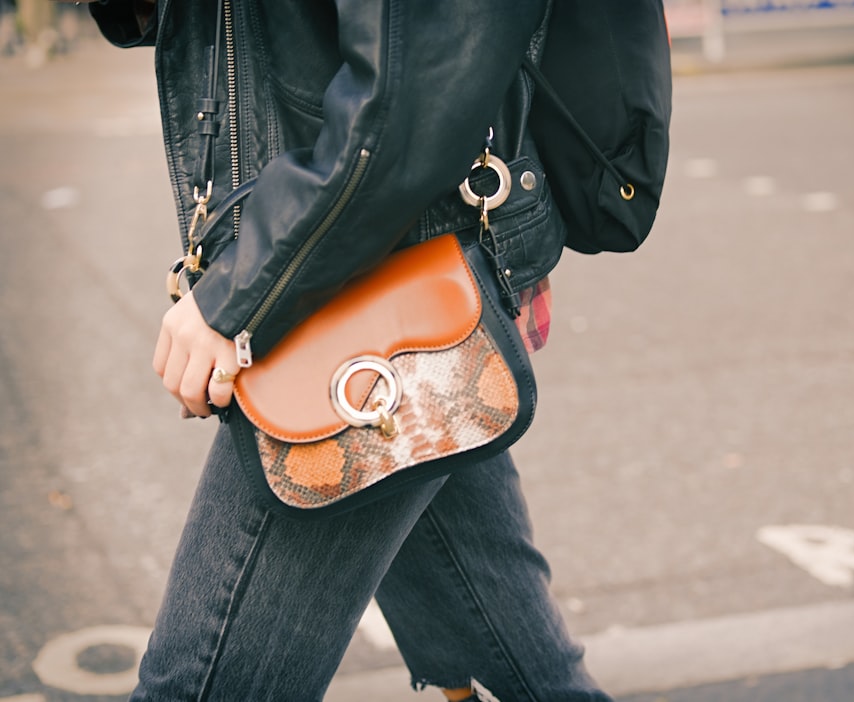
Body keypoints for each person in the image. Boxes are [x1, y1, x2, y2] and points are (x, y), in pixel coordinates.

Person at [70, 0, 614, 700]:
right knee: (528, 670)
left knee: (198, 687)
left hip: (370, 284)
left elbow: (417, 89)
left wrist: (243, 293)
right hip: (367, 276)